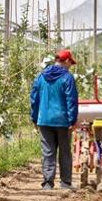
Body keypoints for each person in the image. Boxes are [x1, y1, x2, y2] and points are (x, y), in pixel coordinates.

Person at [30, 49, 79, 190]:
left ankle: (47, 183)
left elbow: (34, 98)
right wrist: (72, 120)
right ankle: (65, 183)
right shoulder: (67, 78)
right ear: (67, 61)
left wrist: (34, 117)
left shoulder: (41, 76)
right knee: (64, 151)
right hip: (62, 121)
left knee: (48, 152)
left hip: (44, 120)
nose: (71, 66)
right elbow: (71, 100)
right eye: (71, 63)